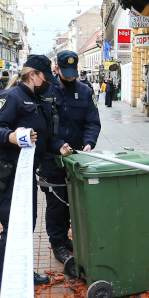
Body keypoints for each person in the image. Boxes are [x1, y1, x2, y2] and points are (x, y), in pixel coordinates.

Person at [0, 54, 71, 297]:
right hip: (8, 171)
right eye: (45, 78)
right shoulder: (10, 97)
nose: (48, 83)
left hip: (26, 172)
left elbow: (46, 136)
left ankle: (23, 272)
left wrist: (60, 146)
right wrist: (12, 137)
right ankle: (6, 290)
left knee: (27, 223)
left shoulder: (39, 98)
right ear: (32, 75)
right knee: (12, 227)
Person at [40, 51, 101, 265]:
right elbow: (43, 125)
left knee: (74, 201)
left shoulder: (85, 91)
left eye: (73, 73)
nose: (70, 77)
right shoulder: (46, 91)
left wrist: (89, 143)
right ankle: (58, 242)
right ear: (57, 70)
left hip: (76, 157)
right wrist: (58, 145)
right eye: (65, 73)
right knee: (56, 202)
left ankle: (68, 239)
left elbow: (92, 122)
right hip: (52, 158)